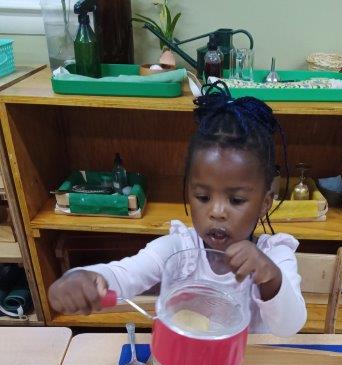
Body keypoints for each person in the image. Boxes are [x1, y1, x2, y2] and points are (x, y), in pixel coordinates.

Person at [48, 83, 307, 336]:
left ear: (265, 203)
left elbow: (290, 326)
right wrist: (84, 279)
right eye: (203, 197)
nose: (217, 211)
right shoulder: (179, 250)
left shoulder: (274, 255)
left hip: (243, 362)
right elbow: (124, 275)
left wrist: (271, 278)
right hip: (183, 361)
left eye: (236, 200)